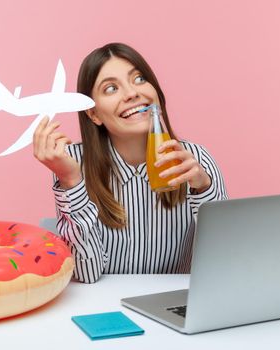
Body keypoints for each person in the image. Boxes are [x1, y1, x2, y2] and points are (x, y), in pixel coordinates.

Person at [33, 43, 227, 283]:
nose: (132, 93)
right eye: (111, 88)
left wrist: (203, 188)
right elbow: (87, 273)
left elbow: (224, 263)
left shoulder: (196, 160)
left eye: (139, 78)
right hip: (106, 308)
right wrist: (71, 181)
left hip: (174, 304)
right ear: (93, 114)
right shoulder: (73, 164)